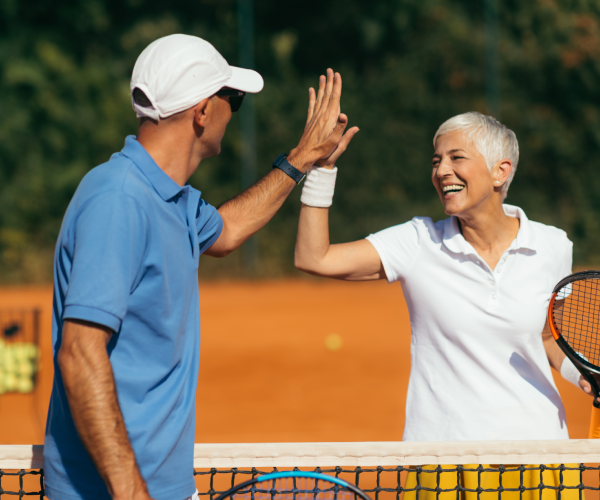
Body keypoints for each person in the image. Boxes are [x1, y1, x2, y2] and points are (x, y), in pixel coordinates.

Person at [44, 34, 358, 500]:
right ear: (203, 112)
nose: (235, 111)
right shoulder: (118, 200)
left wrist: (302, 160)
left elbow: (227, 231)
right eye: (232, 99)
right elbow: (80, 353)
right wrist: (131, 491)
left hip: (164, 487)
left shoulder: (174, 199)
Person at [294, 111, 595, 499]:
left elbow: (544, 335)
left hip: (538, 456)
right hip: (442, 458)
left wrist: (581, 375)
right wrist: (322, 168)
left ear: (500, 171)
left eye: (456, 157)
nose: (442, 171)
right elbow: (313, 257)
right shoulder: (418, 242)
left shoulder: (553, 246)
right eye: (436, 161)